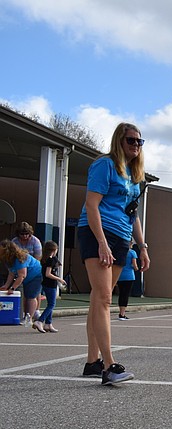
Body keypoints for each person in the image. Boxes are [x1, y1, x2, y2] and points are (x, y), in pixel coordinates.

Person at [77, 122, 150, 385]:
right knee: (106, 298)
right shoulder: (105, 165)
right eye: (131, 140)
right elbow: (91, 204)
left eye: (140, 142)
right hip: (98, 232)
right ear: (119, 140)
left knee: (99, 299)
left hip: (122, 237)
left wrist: (141, 247)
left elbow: (134, 215)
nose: (136, 146)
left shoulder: (135, 175)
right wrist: (101, 242)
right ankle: (109, 366)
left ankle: (91, 362)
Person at [0, 239, 42, 326]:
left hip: (37, 275)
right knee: (26, 296)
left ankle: (29, 318)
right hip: (28, 277)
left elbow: (22, 275)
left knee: (31, 296)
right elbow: (11, 273)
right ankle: (26, 316)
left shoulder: (20, 259)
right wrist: (6, 286)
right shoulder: (8, 260)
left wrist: (12, 288)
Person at [34, 240, 65, 333]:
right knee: (51, 304)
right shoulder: (51, 260)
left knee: (50, 304)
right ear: (54, 250)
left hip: (45, 283)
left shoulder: (45, 259)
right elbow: (48, 274)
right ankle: (40, 321)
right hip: (50, 283)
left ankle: (48, 323)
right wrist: (59, 279)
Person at [116, 247, 138, 321]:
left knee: (121, 293)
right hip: (129, 276)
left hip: (119, 275)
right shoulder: (132, 252)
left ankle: (121, 312)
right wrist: (136, 268)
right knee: (125, 294)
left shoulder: (119, 251)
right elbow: (134, 265)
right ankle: (122, 313)